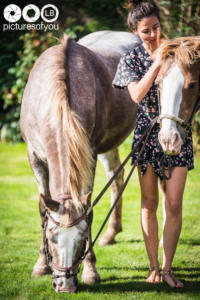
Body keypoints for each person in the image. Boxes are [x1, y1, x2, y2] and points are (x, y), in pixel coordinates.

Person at [112, 0, 194, 288]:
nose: (154, 35)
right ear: (135, 31)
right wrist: (157, 62)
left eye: (156, 28)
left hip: (179, 135)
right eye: (146, 31)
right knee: (149, 204)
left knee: (173, 203)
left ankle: (169, 268)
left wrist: (169, 56)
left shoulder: (178, 53)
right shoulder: (131, 60)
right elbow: (136, 95)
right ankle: (154, 267)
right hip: (147, 138)